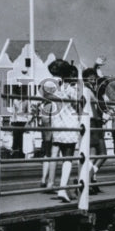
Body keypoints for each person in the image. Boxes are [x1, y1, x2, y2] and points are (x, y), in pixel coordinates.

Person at [41, 59, 80, 203]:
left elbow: (45, 95)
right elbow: (79, 103)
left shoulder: (55, 88)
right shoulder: (71, 89)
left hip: (57, 124)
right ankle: (63, 189)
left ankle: (64, 188)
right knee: (68, 158)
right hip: (70, 124)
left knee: (62, 156)